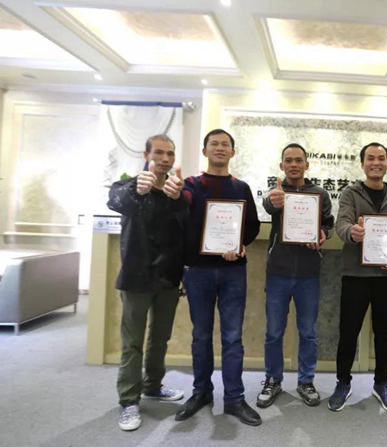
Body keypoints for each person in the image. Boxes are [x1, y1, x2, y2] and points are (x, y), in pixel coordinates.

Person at [175, 129, 262, 426]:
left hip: (232, 271)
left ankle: (234, 398)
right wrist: (174, 192)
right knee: (201, 336)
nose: (220, 148)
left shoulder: (241, 188)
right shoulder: (191, 185)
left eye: (225, 144)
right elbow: (181, 211)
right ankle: (201, 392)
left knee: (232, 337)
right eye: (214, 144)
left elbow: (251, 227)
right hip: (197, 271)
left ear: (233, 152)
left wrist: (239, 244)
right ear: (205, 151)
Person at [106, 134, 187, 431]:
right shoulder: (128, 186)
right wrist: (137, 190)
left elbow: (186, 229)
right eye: (159, 153)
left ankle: (153, 385)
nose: (165, 159)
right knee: (132, 342)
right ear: (146, 155)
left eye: (170, 154)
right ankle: (129, 400)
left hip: (168, 277)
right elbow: (116, 202)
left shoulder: (176, 191)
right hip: (136, 277)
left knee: (160, 337)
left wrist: (179, 201)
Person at [328, 142, 387, 413]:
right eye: (371, 158)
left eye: (381, 158)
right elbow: (341, 223)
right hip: (356, 275)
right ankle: (343, 382)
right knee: (348, 331)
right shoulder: (350, 194)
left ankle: (382, 383)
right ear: (362, 164)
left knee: (384, 333)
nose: (376, 162)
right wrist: (352, 232)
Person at [256, 143, 335, 408]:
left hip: (308, 274)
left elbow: (328, 224)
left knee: (308, 332)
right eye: (288, 160)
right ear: (282, 165)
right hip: (277, 272)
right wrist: (272, 201)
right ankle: (273, 380)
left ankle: (306, 381)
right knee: (273, 332)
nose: (293, 165)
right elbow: (269, 205)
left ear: (306, 165)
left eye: (298, 160)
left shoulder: (320, 194)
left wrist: (323, 234)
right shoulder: (276, 192)